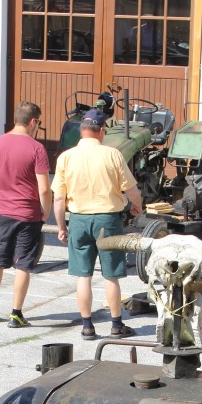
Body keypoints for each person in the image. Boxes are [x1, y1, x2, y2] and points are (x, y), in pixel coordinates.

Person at [51, 107, 142, 339]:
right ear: (101, 131)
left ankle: (87, 326)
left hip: (79, 220)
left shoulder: (66, 157)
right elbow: (132, 190)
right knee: (111, 276)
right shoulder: (112, 155)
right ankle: (115, 324)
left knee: (84, 276)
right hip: (107, 219)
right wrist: (137, 206)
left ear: (82, 130)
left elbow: (59, 198)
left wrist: (62, 227)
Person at [0, 101, 51, 329]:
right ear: (33, 122)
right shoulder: (37, 149)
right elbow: (44, 188)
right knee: (23, 265)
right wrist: (45, 213)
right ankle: (16, 313)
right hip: (28, 215)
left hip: (3, 212)